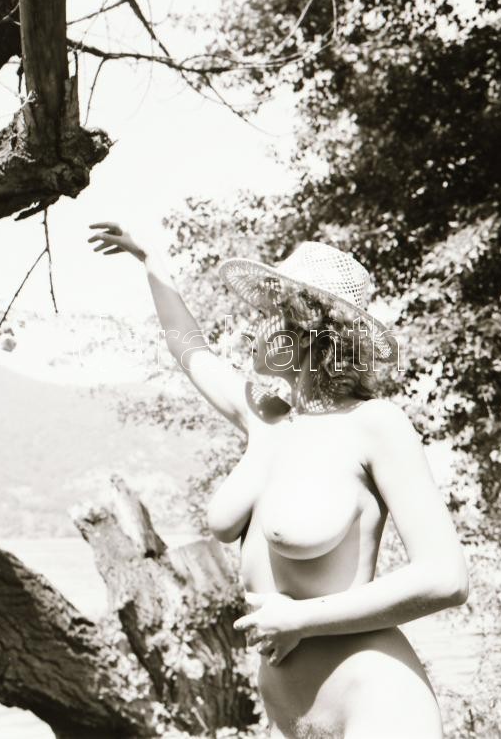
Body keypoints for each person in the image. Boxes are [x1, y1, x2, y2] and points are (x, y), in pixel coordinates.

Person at [87, 222, 469, 739]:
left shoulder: (375, 425)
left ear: (305, 329)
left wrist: (301, 620)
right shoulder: (264, 417)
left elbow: (445, 578)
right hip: (295, 721)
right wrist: (152, 259)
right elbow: (189, 349)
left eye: (267, 315)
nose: (251, 328)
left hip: (377, 704)